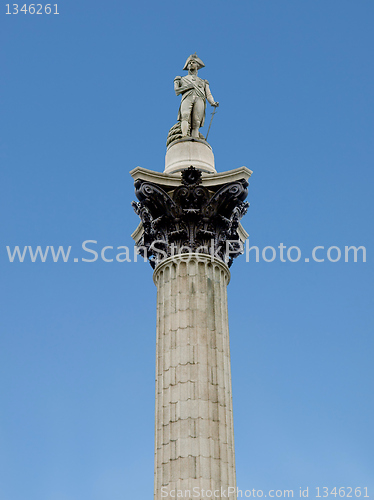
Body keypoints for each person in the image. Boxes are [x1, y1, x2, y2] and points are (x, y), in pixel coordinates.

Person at [174, 53, 219, 138]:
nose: (191, 64)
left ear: (197, 65)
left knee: (196, 121)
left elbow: (208, 94)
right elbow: (177, 91)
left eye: (193, 62)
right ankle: (184, 136)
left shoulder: (203, 81)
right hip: (187, 97)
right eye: (189, 62)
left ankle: (195, 138)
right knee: (185, 116)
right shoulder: (181, 79)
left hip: (199, 98)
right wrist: (188, 87)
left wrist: (212, 102)